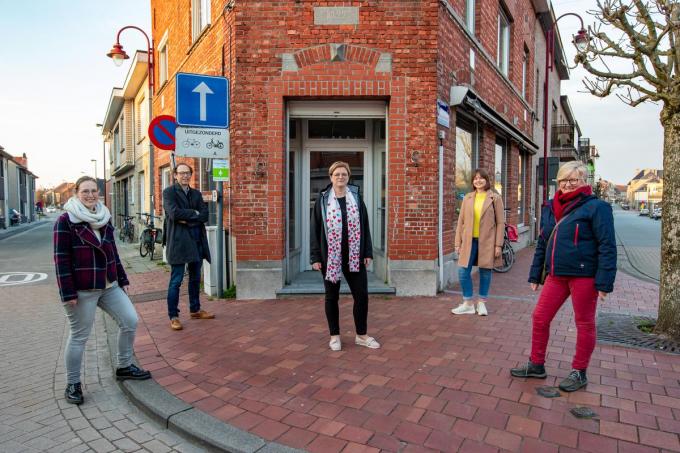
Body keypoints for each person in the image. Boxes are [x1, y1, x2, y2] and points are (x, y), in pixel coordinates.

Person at [511, 161, 616, 392]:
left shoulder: (597, 208)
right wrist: (535, 275)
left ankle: (579, 372)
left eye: (573, 180)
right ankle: (537, 364)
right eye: (563, 180)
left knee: (584, 323)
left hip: (584, 276)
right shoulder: (550, 206)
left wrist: (604, 282)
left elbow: (607, 245)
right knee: (540, 317)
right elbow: (543, 242)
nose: (567, 184)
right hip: (556, 275)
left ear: (584, 182)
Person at [54, 176, 151, 405]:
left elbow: (112, 252)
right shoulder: (65, 221)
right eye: (85, 191)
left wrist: (122, 278)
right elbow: (61, 260)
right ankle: (73, 383)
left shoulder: (103, 217)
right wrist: (68, 294)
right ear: (76, 193)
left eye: (94, 191)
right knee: (79, 336)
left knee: (130, 320)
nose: (90, 195)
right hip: (82, 289)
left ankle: (124, 366)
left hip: (109, 285)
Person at [310, 161, 380, 352]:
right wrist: (315, 257)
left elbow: (365, 225)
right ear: (330, 177)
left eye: (344, 174)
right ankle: (334, 336)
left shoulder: (356, 198)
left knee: (362, 295)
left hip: (354, 254)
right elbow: (315, 229)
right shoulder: (323, 200)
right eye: (337, 174)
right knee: (331, 297)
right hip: (330, 256)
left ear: (348, 177)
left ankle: (361, 335)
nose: (340, 177)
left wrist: (367, 251)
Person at [162, 163, 214, 331]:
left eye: (188, 173)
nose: (185, 176)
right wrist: (194, 214)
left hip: (196, 241)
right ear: (175, 175)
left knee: (194, 278)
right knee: (176, 280)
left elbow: (204, 215)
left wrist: (189, 218)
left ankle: (195, 309)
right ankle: (174, 316)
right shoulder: (169, 192)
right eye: (181, 173)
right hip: (178, 242)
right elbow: (174, 214)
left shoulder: (196, 194)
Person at [452, 169, 505, 316]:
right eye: (475, 178)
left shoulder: (495, 198)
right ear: (472, 182)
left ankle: (482, 303)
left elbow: (501, 223)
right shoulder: (468, 198)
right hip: (469, 241)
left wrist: (498, 245)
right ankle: (468, 303)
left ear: (487, 180)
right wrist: (457, 243)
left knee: (485, 272)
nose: (478, 181)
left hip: (487, 241)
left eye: (481, 178)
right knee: (463, 271)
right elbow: (460, 222)